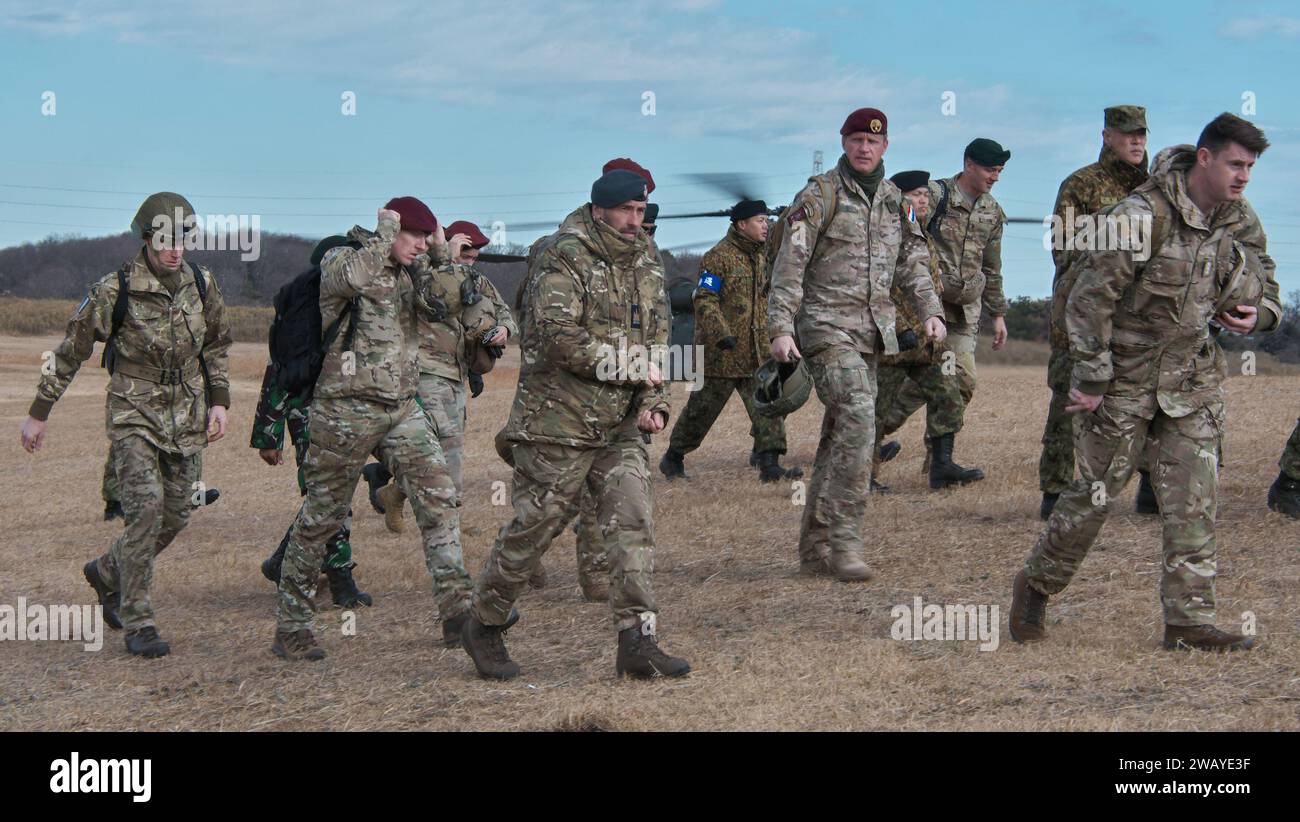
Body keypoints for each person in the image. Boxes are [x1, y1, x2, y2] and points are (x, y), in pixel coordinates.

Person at [1009, 113, 1282, 652]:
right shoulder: (1138, 216)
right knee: (1092, 499)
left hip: (1191, 380)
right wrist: (1089, 378)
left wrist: (1263, 313)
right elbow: (1090, 300)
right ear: (1204, 157)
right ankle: (1036, 584)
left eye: (1250, 167)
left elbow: (1267, 273)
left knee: (1193, 502)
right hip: (1124, 380)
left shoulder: (1238, 216)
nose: (1243, 176)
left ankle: (1187, 622)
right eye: (1235, 163)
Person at [460, 168, 690, 680]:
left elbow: (658, 341)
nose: (637, 221)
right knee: (535, 529)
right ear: (600, 208)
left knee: (632, 522)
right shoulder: (563, 255)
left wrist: (656, 400)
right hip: (557, 422)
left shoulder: (647, 263)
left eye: (642, 212)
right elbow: (556, 337)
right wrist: (632, 368)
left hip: (620, 427)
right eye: (628, 211)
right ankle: (485, 623)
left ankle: (638, 639)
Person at [20, 192, 232, 658]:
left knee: (176, 515)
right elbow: (70, 351)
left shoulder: (202, 284)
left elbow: (216, 346)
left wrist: (220, 402)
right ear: (147, 237)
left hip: (187, 414)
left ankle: (106, 572)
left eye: (183, 238)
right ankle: (140, 621)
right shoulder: (114, 289)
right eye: (166, 238)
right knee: (146, 511)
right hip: (134, 413)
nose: (176, 248)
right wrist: (39, 413)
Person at [271, 197, 476, 661]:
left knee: (440, 500)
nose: (421, 245)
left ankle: (458, 613)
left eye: (428, 237)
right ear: (390, 226)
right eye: (415, 236)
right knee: (324, 516)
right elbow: (352, 280)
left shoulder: (412, 271)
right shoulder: (343, 256)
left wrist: (442, 257)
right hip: (344, 411)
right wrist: (385, 235)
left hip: (402, 409)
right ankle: (293, 625)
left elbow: (446, 305)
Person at [766, 107, 945, 582]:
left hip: (871, 335)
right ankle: (846, 540)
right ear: (843, 143)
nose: (865, 148)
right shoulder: (819, 195)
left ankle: (813, 549)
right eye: (856, 140)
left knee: (840, 435)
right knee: (862, 416)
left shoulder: (896, 202)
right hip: (824, 329)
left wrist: (930, 309)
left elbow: (914, 259)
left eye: (873, 141)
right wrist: (780, 327)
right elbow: (789, 264)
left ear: (886, 147)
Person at [364, 219, 516, 534]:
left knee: (435, 453)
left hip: (455, 376)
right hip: (423, 374)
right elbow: (418, 300)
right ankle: (448, 527)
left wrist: (503, 331)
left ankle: (396, 491)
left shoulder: (476, 282)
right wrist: (442, 259)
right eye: (465, 250)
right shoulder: (422, 274)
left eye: (475, 253)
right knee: (443, 451)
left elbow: (504, 314)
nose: (471, 257)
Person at [1038, 106, 1152, 519]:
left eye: (1141, 134)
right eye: (1127, 135)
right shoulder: (1080, 184)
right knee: (1068, 401)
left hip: (1140, 315)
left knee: (1148, 399)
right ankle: (1054, 492)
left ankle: (1152, 489)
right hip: (1081, 313)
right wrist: (1114, 232)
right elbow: (1062, 248)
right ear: (1107, 137)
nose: (1137, 142)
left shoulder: (1155, 190)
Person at [878, 138, 1011, 474]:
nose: (994, 177)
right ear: (969, 165)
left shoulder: (992, 212)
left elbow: (991, 267)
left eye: (999, 171)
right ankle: (874, 436)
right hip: (926, 308)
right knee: (933, 379)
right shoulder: (935, 195)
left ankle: (937, 460)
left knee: (960, 381)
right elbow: (897, 209)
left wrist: (998, 314)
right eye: (989, 170)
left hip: (965, 311)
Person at [252, 235, 372, 609]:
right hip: (309, 410)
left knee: (332, 495)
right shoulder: (306, 307)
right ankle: (339, 578)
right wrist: (268, 435)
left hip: (347, 411)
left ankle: (279, 561)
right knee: (328, 496)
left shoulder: (357, 305)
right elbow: (279, 372)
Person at [660, 199, 802, 483]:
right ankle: (673, 458)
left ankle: (770, 465)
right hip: (721, 355)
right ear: (741, 224)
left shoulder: (765, 257)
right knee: (700, 412)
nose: (766, 226)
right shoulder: (717, 258)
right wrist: (721, 334)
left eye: (766, 220)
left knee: (769, 407)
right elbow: (705, 299)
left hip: (758, 353)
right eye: (760, 221)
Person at [872, 170, 978, 491]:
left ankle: (942, 467)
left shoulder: (921, 233)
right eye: (915, 194)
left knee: (948, 395)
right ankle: (861, 476)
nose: (922, 199)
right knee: (876, 409)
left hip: (927, 339)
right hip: (892, 338)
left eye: (924, 194)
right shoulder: (883, 234)